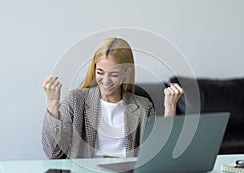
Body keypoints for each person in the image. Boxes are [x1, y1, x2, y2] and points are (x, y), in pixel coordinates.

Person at [42, 37, 183, 159]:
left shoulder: (143, 107)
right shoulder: (75, 101)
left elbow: (160, 155)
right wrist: (52, 104)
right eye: (100, 72)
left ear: (127, 72)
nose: (106, 80)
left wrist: (170, 109)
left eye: (114, 74)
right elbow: (54, 153)